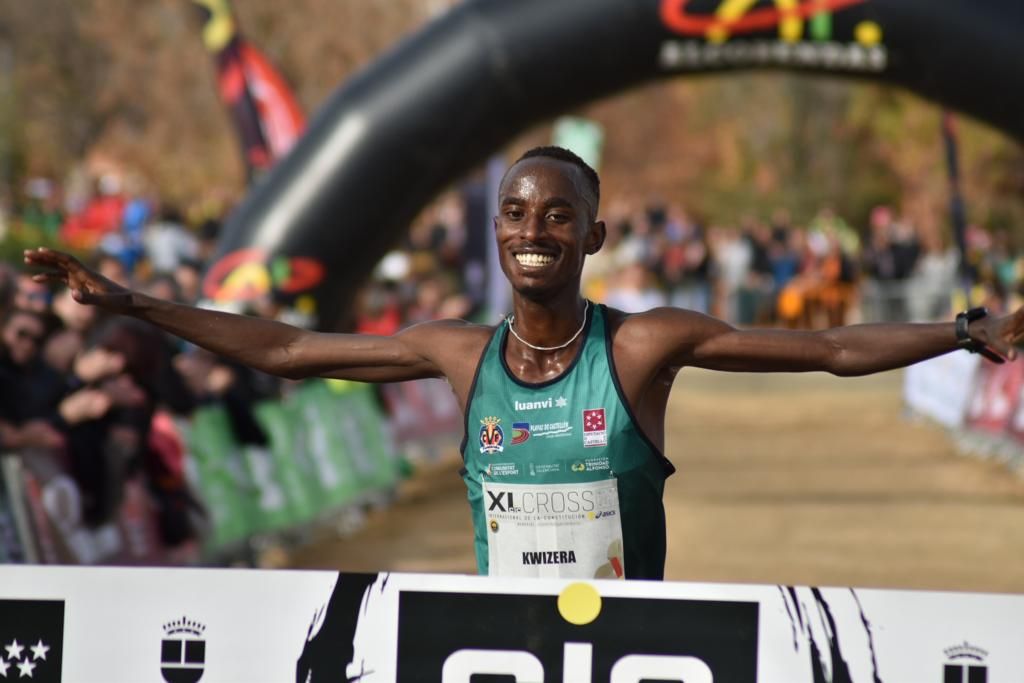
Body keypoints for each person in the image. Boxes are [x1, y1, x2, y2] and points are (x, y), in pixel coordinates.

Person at [24, 146, 1024, 580]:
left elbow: (833, 345)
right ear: (497, 235)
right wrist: (136, 303)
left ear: (590, 236)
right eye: (514, 211)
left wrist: (966, 326)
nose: (532, 227)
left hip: (633, 649)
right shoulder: (457, 354)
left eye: (557, 213)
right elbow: (285, 346)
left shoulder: (642, 344)